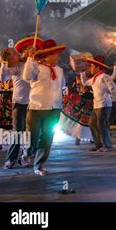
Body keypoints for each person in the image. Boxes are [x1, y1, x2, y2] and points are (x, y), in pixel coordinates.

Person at [22, 39, 67, 176]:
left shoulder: (59, 70)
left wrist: (64, 94)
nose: (57, 56)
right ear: (46, 55)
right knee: (32, 136)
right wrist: (30, 58)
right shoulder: (36, 66)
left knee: (47, 137)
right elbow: (26, 76)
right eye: (55, 54)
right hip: (36, 108)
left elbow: (62, 85)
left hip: (54, 109)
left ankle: (39, 166)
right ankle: (27, 152)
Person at [0, 36, 44, 168]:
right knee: (18, 132)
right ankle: (10, 159)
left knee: (34, 132)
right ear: (22, 51)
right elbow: (3, 78)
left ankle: (26, 156)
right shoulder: (16, 65)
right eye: (27, 49)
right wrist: (4, 62)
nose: (30, 51)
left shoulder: (37, 64)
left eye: (32, 49)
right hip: (19, 102)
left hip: (34, 103)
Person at [80, 55, 116, 152]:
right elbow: (84, 83)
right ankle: (98, 144)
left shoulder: (104, 76)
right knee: (92, 123)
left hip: (104, 104)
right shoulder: (94, 78)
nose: (91, 68)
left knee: (101, 124)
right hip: (96, 105)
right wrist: (83, 73)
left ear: (98, 67)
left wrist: (109, 96)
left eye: (92, 66)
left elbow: (112, 87)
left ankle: (108, 146)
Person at [59, 74, 94, 144]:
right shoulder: (78, 77)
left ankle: (91, 138)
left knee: (89, 121)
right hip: (82, 100)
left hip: (90, 100)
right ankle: (78, 138)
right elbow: (75, 88)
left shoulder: (92, 77)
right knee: (80, 120)